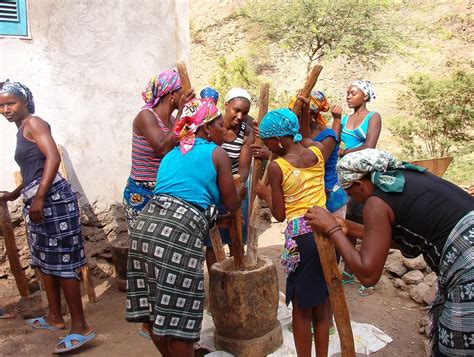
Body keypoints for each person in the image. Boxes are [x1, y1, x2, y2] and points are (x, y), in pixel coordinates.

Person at [304, 148, 474, 357]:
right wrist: (345, 227)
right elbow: (382, 238)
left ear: (360, 184)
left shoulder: (377, 201)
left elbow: (368, 275)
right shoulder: (403, 178)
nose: (353, 200)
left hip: (469, 264)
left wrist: (333, 229)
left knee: (458, 345)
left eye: (350, 193)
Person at [125, 98, 243, 357]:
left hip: (145, 229)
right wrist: (240, 190)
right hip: (176, 237)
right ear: (206, 128)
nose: (224, 131)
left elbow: (180, 197)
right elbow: (231, 203)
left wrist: (214, 217)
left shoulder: (171, 154)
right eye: (220, 126)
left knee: (156, 311)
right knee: (180, 317)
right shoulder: (217, 153)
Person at [0, 80, 95, 354]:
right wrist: (17, 193)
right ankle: (55, 317)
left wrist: (39, 197)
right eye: (1, 105)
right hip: (39, 200)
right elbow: (35, 169)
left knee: (64, 263)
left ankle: (81, 327)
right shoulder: (22, 128)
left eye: (11, 103)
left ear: (25, 101)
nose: (6, 109)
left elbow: (52, 158)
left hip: (53, 201)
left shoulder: (34, 123)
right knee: (44, 261)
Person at [123, 69, 193, 339]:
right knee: (146, 256)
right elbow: (163, 147)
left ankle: (162, 312)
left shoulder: (171, 118)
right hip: (141, 194)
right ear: (172, 94)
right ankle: (146, 320)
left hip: (164, 193)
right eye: (180, 94)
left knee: (163, 255)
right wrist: (187, 117)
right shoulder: (144, 117)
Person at [256, 107, 331, 357]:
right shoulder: (317, 152)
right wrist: (292, 138)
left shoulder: (278, 167)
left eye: (267, 141)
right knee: (322, 305)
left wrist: (264, 192)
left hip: (303, 239)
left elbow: (279, 213)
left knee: (301, 310)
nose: (266, 147)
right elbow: (306, 141)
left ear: (277, 140)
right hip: (328, 232)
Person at [332, 80, 382, 290]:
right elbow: (333, 142)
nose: (349, 96)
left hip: (364, 176)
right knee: (348, 221)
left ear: (365, 96)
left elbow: (370, 145)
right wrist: (335, 121)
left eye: (353, 93)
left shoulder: (373, 117)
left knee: (365, 223)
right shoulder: (343, 119)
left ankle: (369, 276)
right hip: (345, 175)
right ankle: (349, 271)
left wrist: (344, 153)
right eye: (347, 92)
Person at [203, 88, 254, 271]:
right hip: (212, 189)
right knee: (212, 242)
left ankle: (237, 277)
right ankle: (216, 282)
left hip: (234, 188)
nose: (240, 116)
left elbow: (244, 168)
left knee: (236, 237)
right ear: (226, 106)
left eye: (245, 113)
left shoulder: (246, 134)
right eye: (236, 110)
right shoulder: (211, 127)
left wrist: (235, 190)